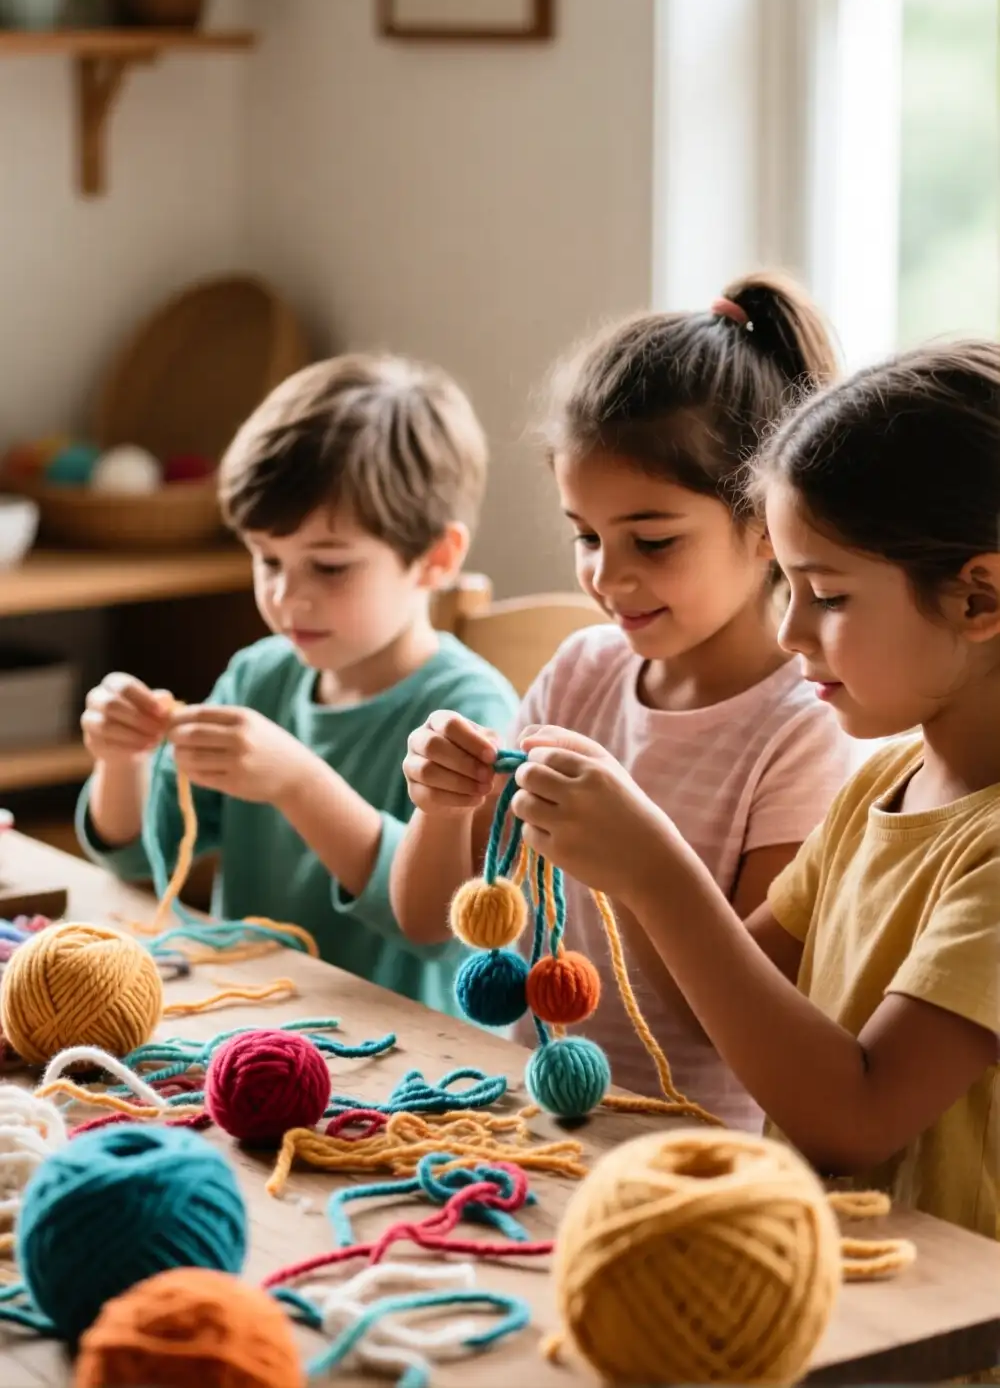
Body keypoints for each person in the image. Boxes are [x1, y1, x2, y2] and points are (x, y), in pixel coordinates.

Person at [505, 340, 1000, 1238]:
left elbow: (855, 1117)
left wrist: (652, 865)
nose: (790, 634)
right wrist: (609, 853)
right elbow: (729, 995)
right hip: (829, 1280)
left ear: (979, 599)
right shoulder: (888, 782)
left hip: (952, 1341)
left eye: (828, 596)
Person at [393, 275, 854, 1127]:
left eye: (652, 539)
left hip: (691, 1145)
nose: (607, 575)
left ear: (767, 526)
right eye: (586, 534)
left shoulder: (805, 728)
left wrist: (640, 866)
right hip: (537, 1117)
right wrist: (440, 806)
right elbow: (426, 919)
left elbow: (729, 1029)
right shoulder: (581, 671)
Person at [76, 353, 519, 1018]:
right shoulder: (260, 675)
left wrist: (299, 783)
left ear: (436, 559)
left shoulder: (471, 712)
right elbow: (139, 853)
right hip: (249, 1023)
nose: (287, 595)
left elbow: (440, 928)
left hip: (400, 1057)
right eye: (268, 558)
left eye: (329, 567)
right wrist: (122, 759)